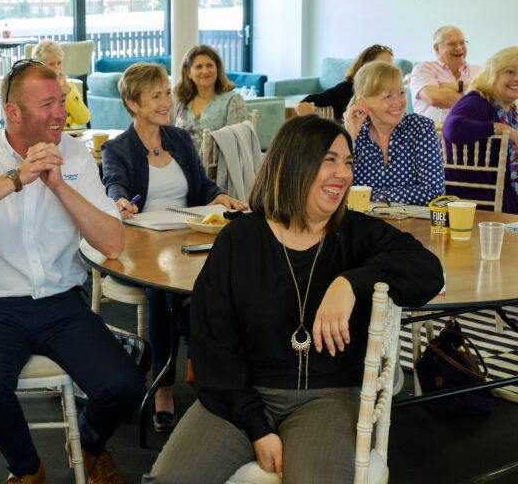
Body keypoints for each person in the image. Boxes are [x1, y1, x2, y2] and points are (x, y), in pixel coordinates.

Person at [142, 115, 444, 483]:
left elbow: (428, 273)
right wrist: (257, 427)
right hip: (240, 394)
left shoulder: (356, 234)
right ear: (294, 162)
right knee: (169, 479)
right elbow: (213, 345)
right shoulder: (241, 240)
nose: (343, 174)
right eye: (329, 160)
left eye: (348, 162)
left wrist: (350, 283)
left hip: (328, 397)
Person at [0, 59, 145, 483]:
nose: (60, 112)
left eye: (61, 101)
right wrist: (17, 177)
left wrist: (58, 184)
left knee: (126, 386)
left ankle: (90, 444)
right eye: (47, 104)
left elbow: (112, 243)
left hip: (62, 303)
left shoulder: (76, 154)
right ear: (13, 113)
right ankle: (27, 469)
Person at [102, 62, 246, 434]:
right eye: (156, 95)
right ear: (133, 104)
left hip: (188, 235)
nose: (167, 101)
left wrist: (222, 197)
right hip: (143, 243)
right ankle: (165, 385)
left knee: (221, 281)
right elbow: (114, 183)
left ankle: (205, 359)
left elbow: (202, 187)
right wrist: (119, 202)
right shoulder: (118, 148)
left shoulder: (179, 139)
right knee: (162, 290)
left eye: (167, 92)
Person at [344, 61, 445, 205]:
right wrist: (350, 139)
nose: (398, 102)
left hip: (412, 224)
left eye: (401, 93)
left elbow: (434, 192)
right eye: (387, 96)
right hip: (362, 222)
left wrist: (369, 195)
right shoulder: (352, 133)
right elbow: (338, 189)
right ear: (363, 103)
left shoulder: (421, 128)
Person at [443, 46, 518, 213]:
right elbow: (453, 129)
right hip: (479, 197)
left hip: (503, 191)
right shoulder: (478, 100)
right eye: (510, 72)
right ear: (493, 74)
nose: (516, 78)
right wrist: (500, 128)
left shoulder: (510, 110)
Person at [173, 44, 248, 150]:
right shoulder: (180, 99)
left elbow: (236, 143)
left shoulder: (233, 101)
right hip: (179, 162)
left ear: (217, 68)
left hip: (218, 165)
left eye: (210, 65)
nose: (205, 71)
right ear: (188, 73)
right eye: (199, 67)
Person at [295, 44, 394, 122]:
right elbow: (306, 103)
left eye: (389, 66)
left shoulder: (392, 91)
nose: (386, 71)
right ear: (365, 66)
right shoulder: (345, 89)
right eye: (381, 65)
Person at [410, 26, 481, 123]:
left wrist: (450, 87)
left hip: (474, 134)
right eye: (452, 44)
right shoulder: (423, 68)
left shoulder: (479, 71)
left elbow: (492, 101)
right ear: (437, 48)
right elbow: (434, 98)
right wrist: (472, 94)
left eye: (462, 42)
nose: (459, 47)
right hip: (433, 135)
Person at [31, 39, 91, 130]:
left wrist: (67, 92)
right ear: (39, 67)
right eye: (51, 64)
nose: (57, 68)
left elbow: (83, 119)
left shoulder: (70, 86)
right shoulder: (34, 89)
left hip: (73, 137)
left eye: (59, 63)